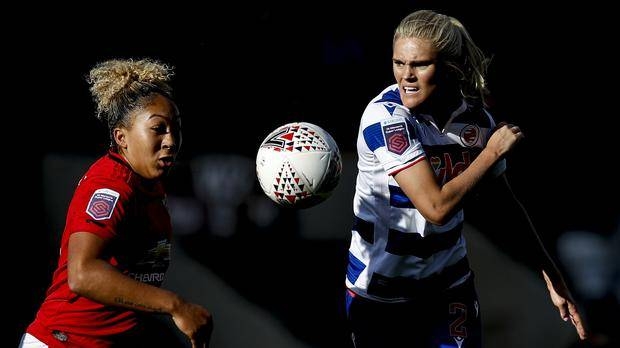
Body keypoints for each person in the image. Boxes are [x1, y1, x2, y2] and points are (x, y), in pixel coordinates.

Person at [344, 9, 587, 347]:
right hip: (381, 295)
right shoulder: (385, 119)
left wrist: (551, 275)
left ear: (448, 66)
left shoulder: (477, 119)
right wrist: (490, 154)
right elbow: (436, 207)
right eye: (399, 63)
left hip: (448, 288)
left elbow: (507, 207)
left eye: (420, 64)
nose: (406, 76)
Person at [20, 58, 213, 348]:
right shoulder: (111, 185)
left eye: (176, 128)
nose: (171, 140)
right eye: (158, 128)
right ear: (121, 137)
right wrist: (175, 305)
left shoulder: (148, 186)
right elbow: (82, 274)